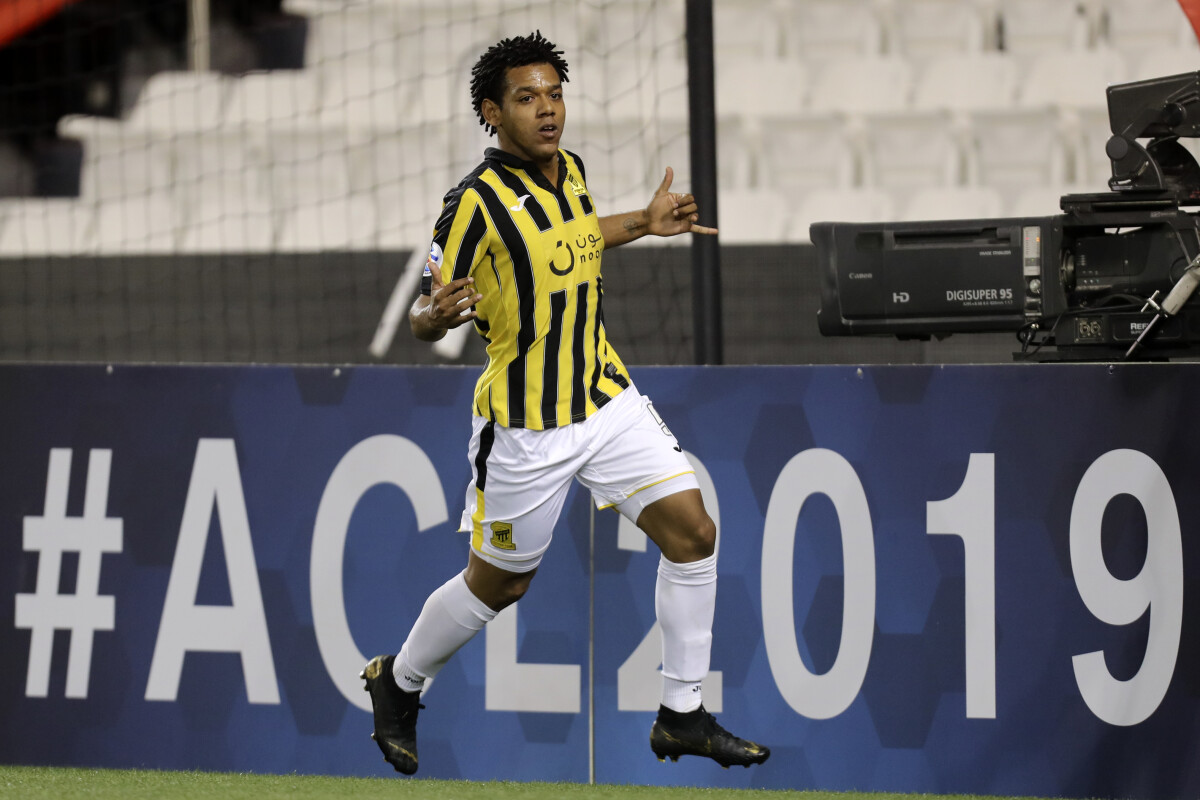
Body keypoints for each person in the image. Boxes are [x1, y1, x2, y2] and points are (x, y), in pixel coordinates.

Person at [360, 30, 769, 776]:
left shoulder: (570, 169)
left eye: (555, 94)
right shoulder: (472, 203)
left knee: (694, 533)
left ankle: (681, 714)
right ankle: (401, 680)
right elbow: (426, 307)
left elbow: (576, 238)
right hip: (526, 426)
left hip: (605, 399)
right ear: (492, 112)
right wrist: (432, 317)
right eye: (527, 98)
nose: (547, 110)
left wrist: (644, 222)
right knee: (500, 585)